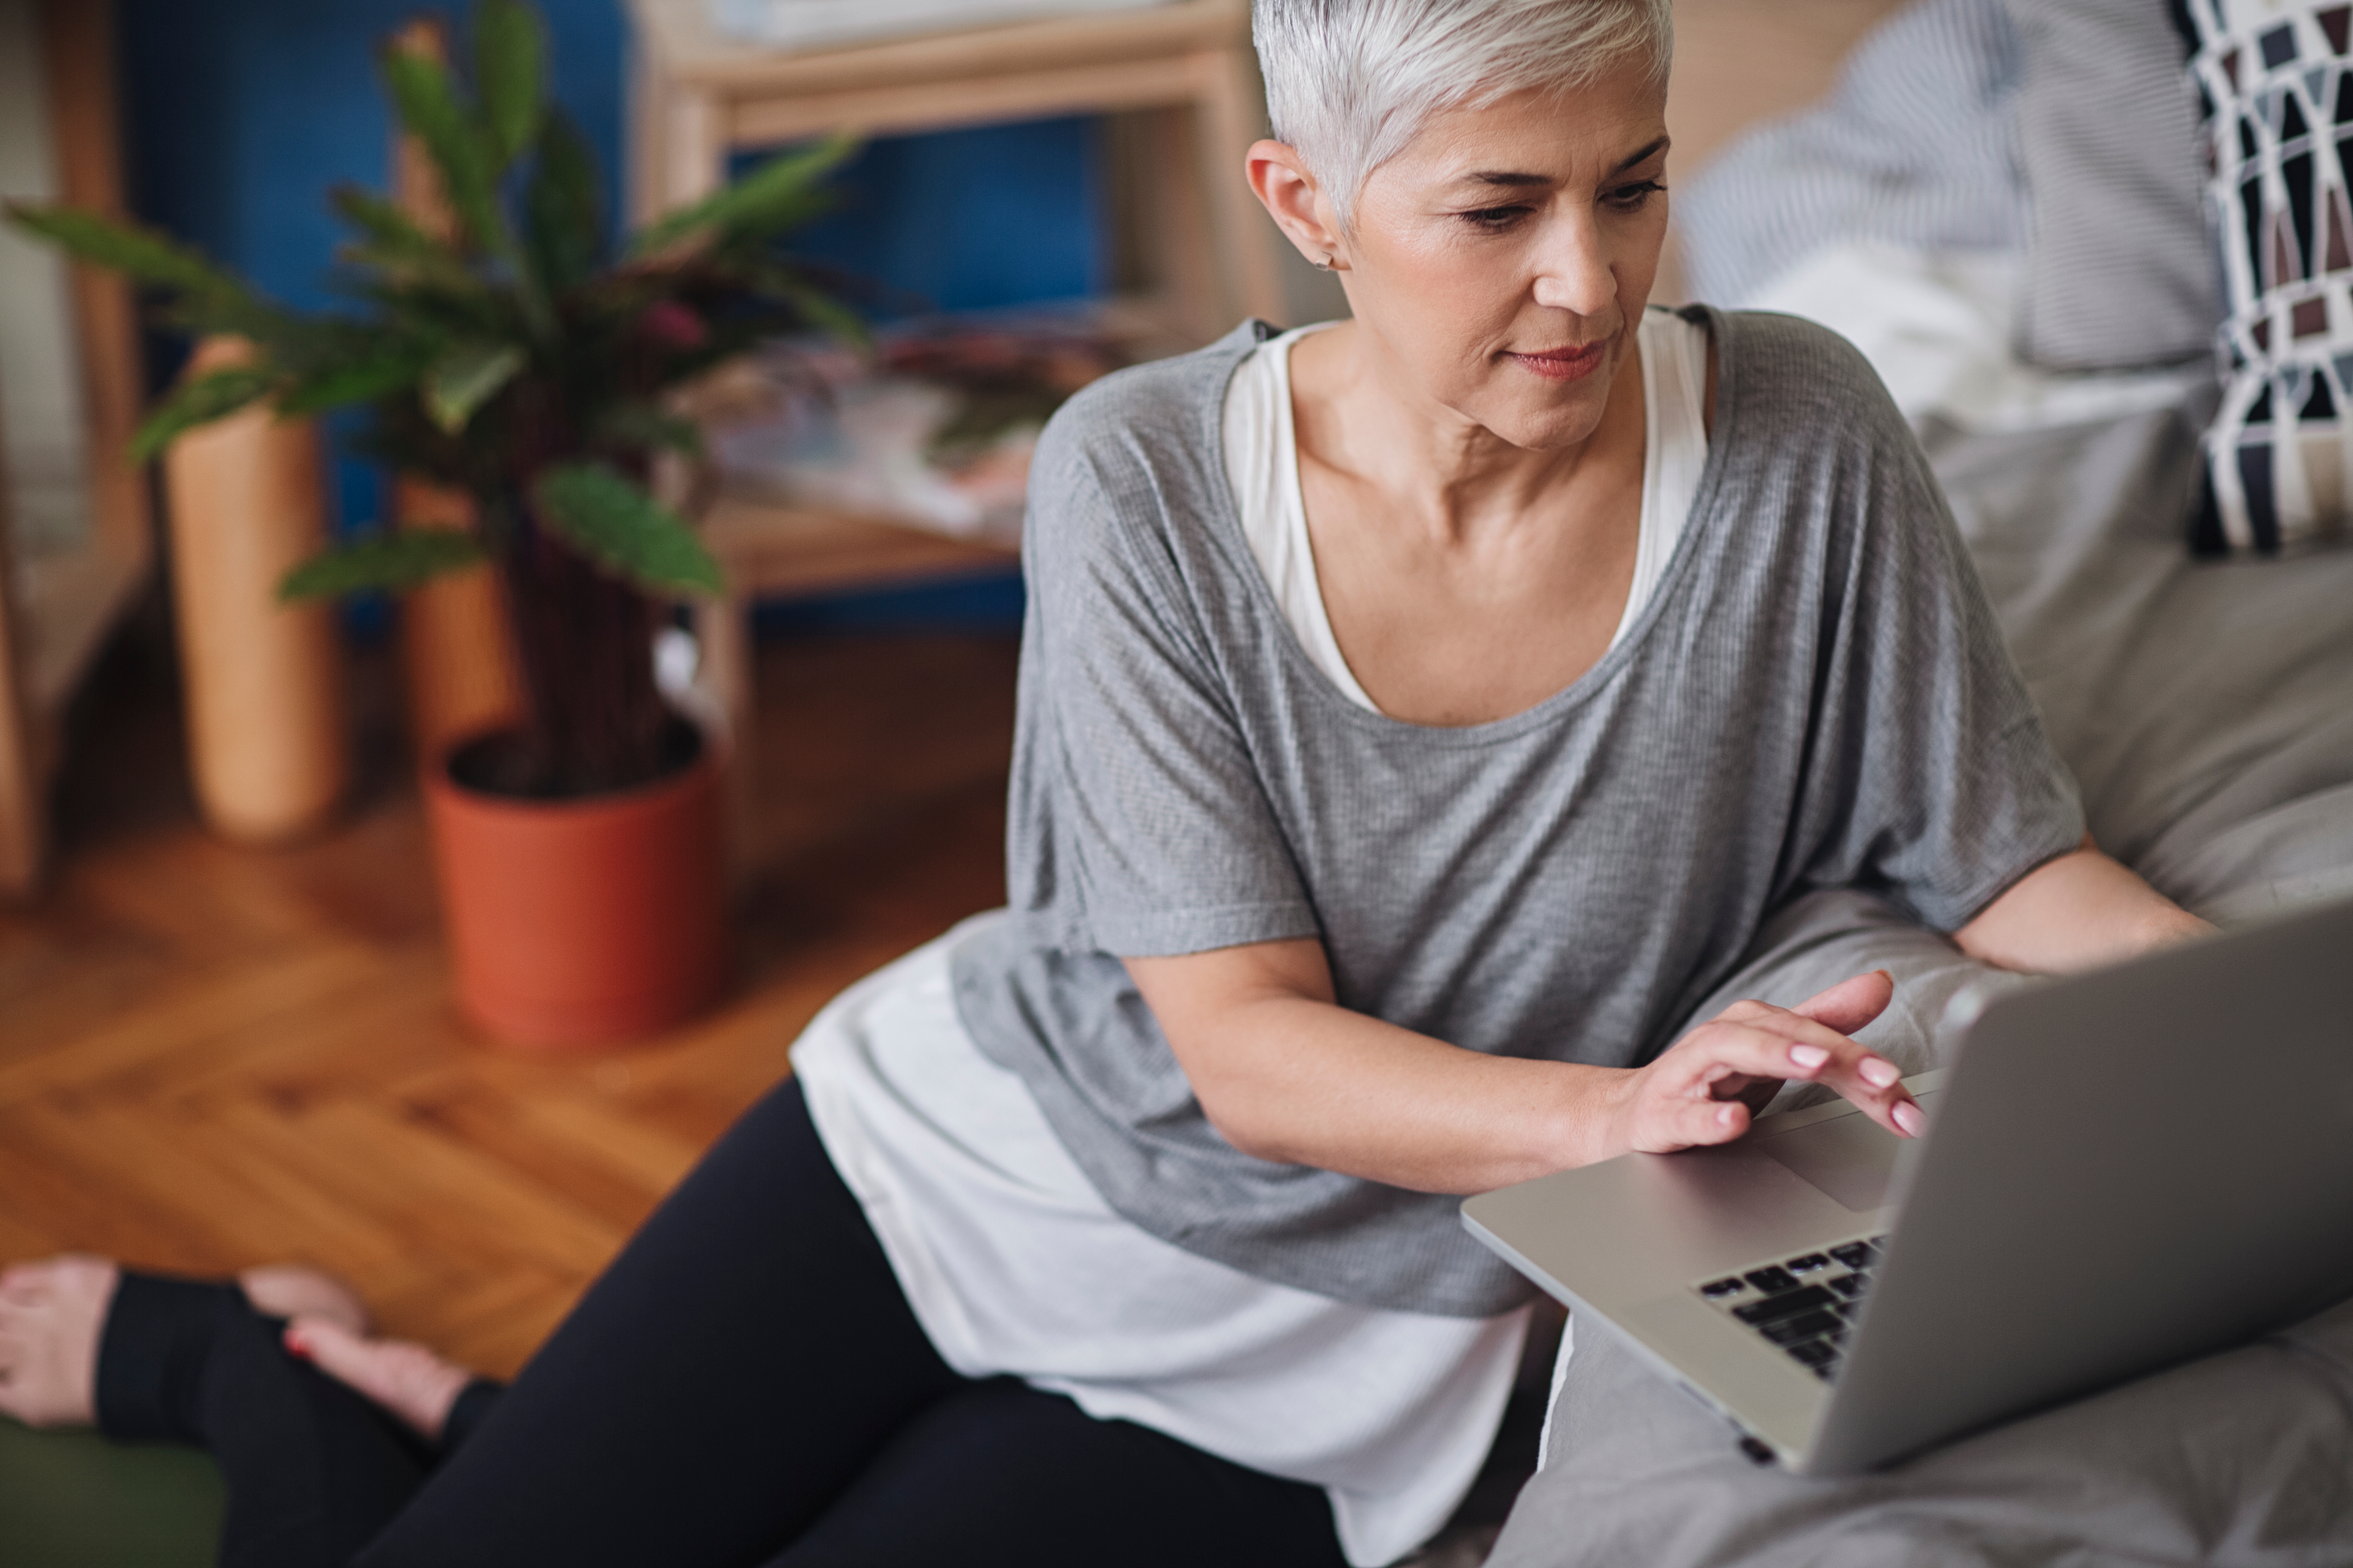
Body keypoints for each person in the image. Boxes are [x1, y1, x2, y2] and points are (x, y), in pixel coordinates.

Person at [0, 2, 2212, 1563]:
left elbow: (2003, 858)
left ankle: (463, 1427)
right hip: (995, 1157)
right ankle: (236, 1365)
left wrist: (2258, 1034)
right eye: (1499, 207)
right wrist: (1613, 1121)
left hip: (1364, 1348)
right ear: (1307, 202)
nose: (1590, 277)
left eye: (1632, 188)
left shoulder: (1807, 435)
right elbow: (1238, 1056)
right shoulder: (1141, 474)